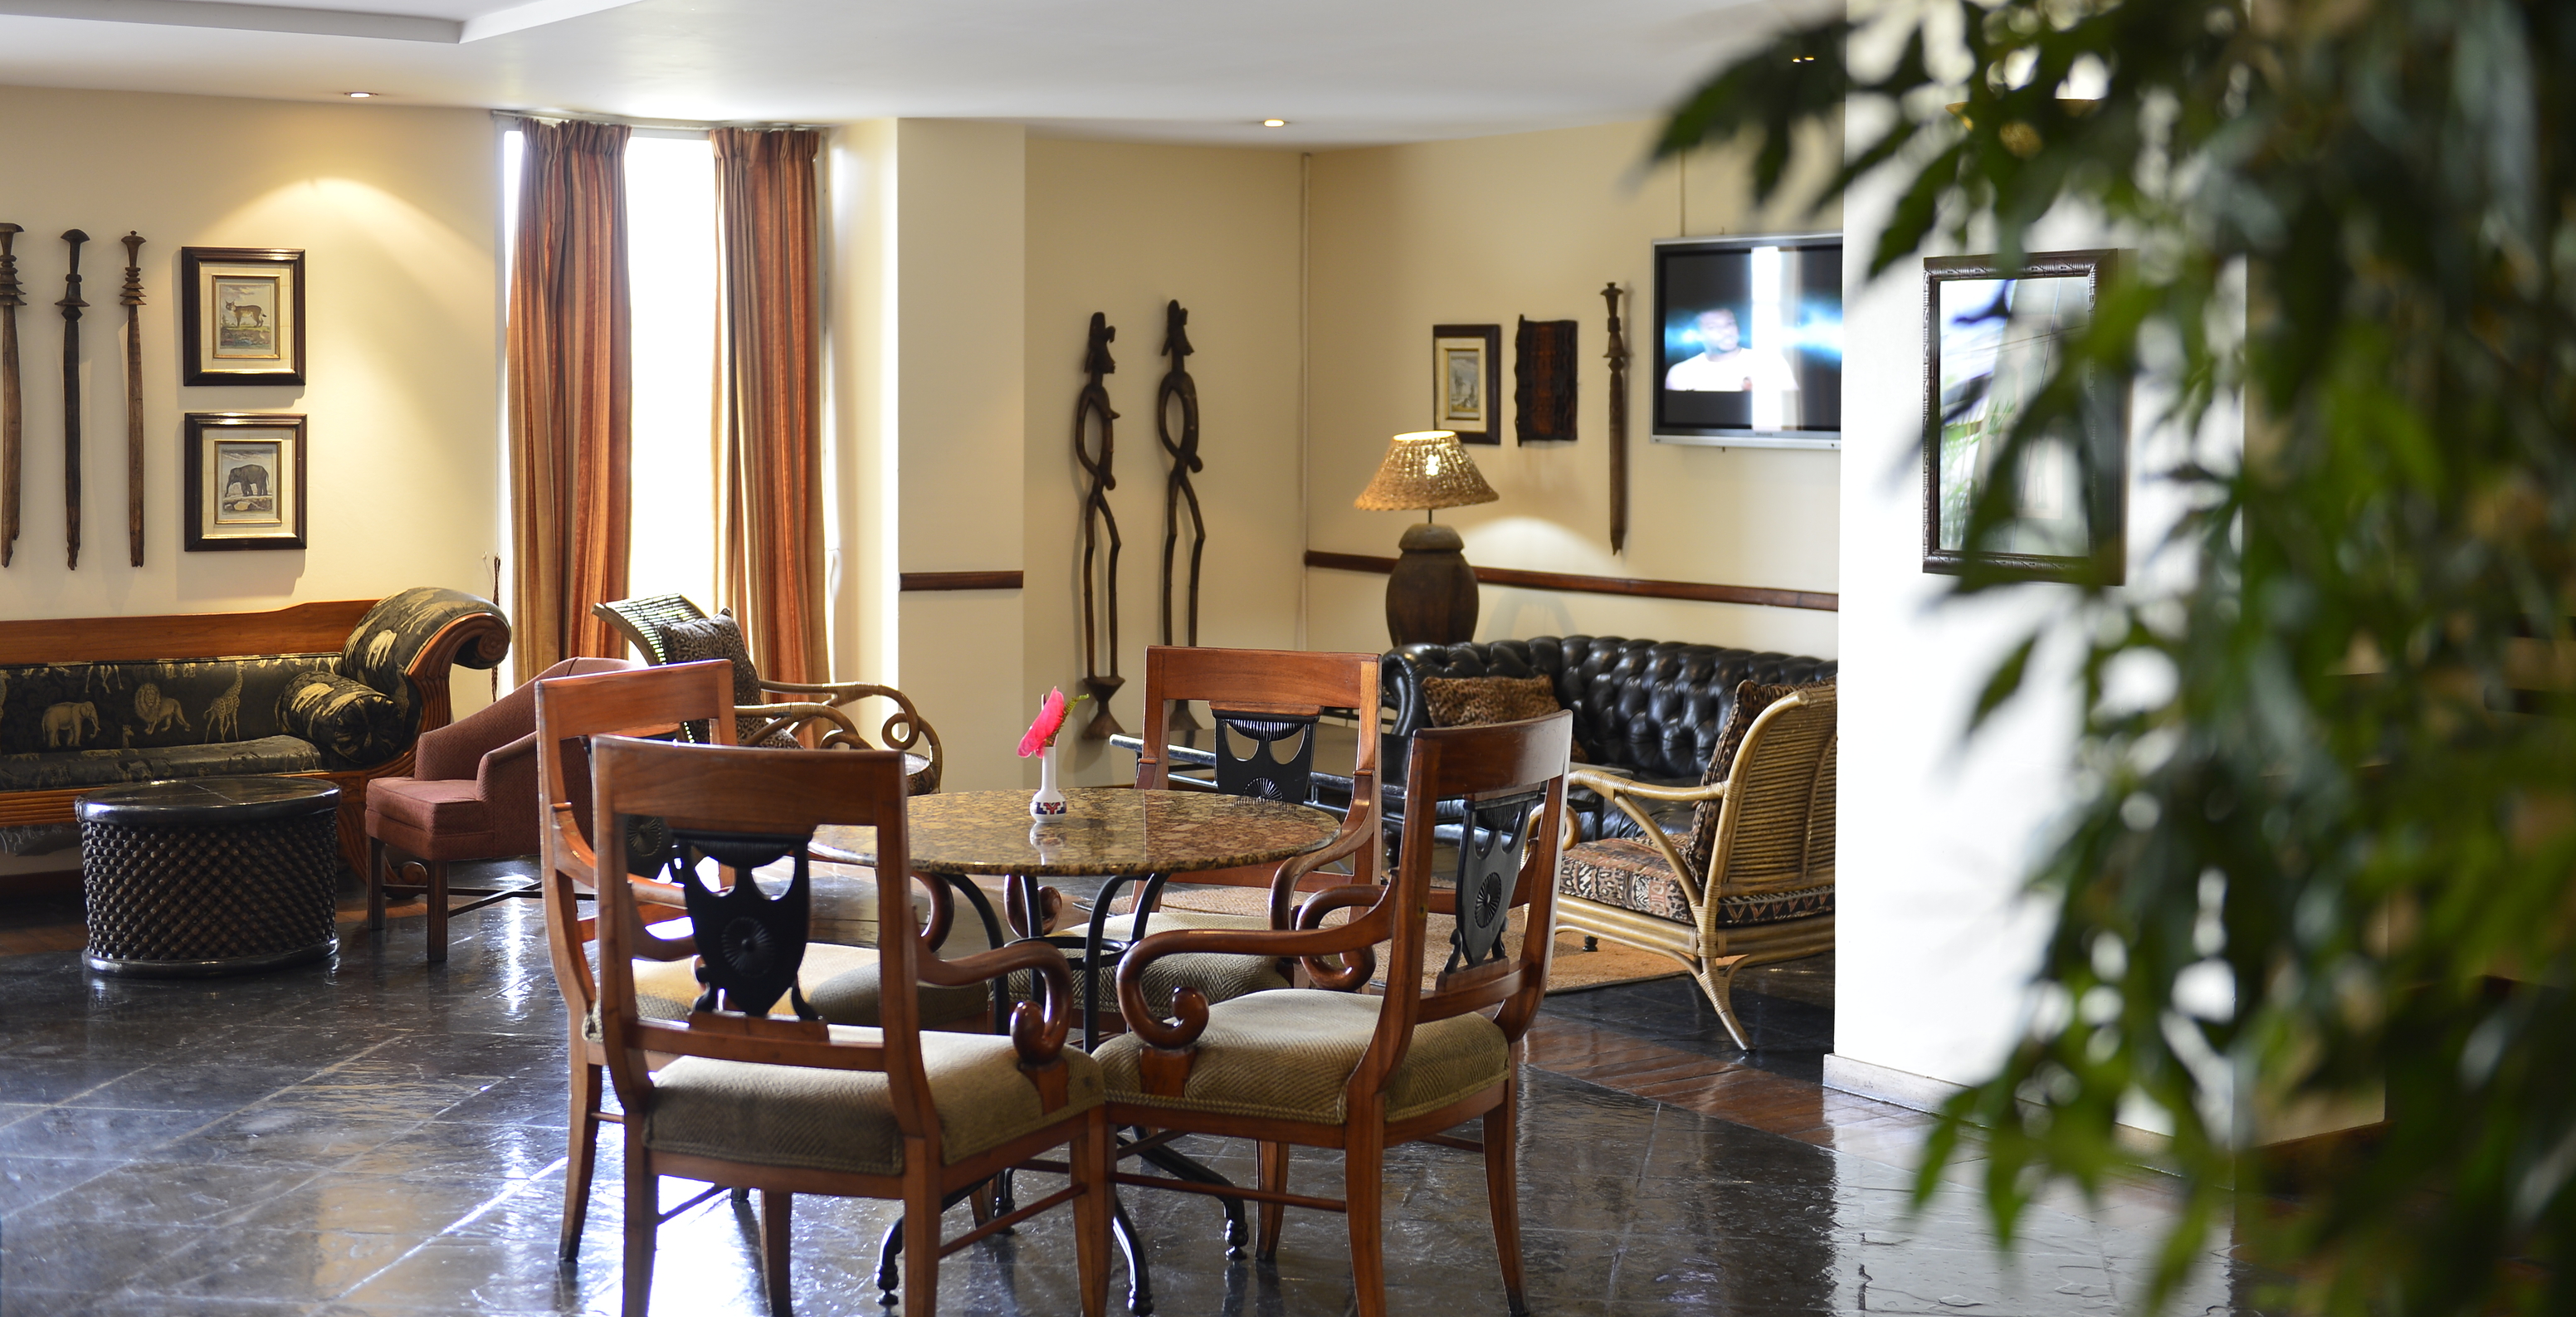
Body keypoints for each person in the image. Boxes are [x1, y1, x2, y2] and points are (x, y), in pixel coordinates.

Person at [1665, 307, 1800, 393]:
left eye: (1730, 324)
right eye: (1713, 327)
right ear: (1699, 334)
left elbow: (1792, 410)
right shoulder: (1680, 372)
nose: (1726, 331)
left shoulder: (1771, 362)